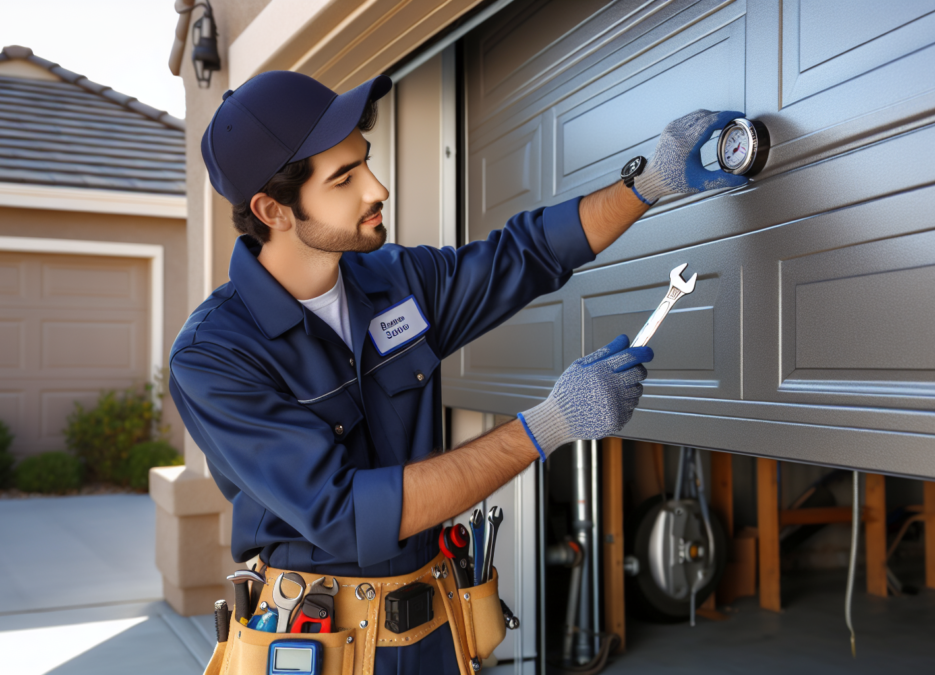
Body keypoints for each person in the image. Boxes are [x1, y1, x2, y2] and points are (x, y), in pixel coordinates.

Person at [170, 70, 746, 674]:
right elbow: (348, 512)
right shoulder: (215, 356)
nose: (378, 188)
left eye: (364, 163)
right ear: (272, 209)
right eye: (344, 179)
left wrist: (648, 184)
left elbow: (527, 255)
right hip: (316, 643)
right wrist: (550, 424)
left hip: (437, 628)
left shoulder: (397, 282)